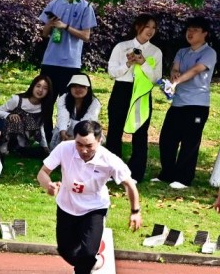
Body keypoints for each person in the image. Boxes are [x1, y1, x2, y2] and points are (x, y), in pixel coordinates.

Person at [37, 120, 141, 274]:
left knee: (88, 252)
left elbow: (129, 184)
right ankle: (92, 263)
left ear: (99, 141)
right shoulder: (64, 148)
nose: (84, 150)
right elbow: (42, 172)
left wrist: (135, 212)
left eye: (89, 146)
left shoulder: (109, 160)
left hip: (94, 208)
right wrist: (49, 185)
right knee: (65, 250)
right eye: (79, 144)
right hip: (67, 205)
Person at [155, 16, 217, 189]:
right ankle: (167, 174)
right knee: (167, 139)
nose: (190, 33)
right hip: (178, 102)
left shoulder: (209, 53)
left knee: (190, 142)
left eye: (195, 30)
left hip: (197, 103)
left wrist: (176, 81)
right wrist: (174, 73)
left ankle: (183, 179)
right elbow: (175, 67)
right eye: (189, 29)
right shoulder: (182, 51)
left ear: (205, 33)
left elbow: (196, 70)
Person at [106, 15, 163, 182]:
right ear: (138, 26)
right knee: (115, 130)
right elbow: (112, 73)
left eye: (153, 27)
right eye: (147, 26)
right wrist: (128, 64)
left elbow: (156, 78)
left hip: (142, 93)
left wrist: (144, 63)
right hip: (122, 90)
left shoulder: (155, 51)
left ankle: (136, 173)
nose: (150, 31)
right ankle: (111, 171)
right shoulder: (122, 47)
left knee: (140, 133)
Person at [38, 0, 98, 97]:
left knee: (67, 101)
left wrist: (65, 27)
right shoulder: (54, 3)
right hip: (50, 60)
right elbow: (44, 34)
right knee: (45, 100)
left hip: (70, 63)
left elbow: (86, 36)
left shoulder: (85, 7)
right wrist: (50, 24)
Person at [0, 74, 54, 156]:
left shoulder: (44, 107)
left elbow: (40, 126)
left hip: (25, 135)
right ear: (33, 86)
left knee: (29, 121)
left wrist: (45, 146)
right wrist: (9, 115)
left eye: (45, 88)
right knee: (17, 118)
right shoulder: (17, 100)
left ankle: (21, 147)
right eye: (38, 86)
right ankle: (4, 145)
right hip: (7, 130)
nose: (40, 90)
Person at [50, 74, 101, 150]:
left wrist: (76, 137)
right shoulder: (63, 98)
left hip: (86, 130)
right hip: (66, 129)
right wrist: (63, 131)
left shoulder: (94, 102)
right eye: (74, 86)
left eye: (81, 86)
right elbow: (63, 115)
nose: (78, 89)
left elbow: (88, 121)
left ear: (88, 88)